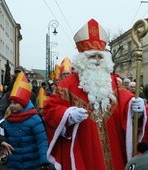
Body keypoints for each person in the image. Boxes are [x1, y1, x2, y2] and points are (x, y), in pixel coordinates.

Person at [43, 18, 147, 170]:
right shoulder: (65, 86)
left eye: (100, 56)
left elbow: (127, 101)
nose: (97, 60)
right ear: (82, 59)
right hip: (84, 149)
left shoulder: (114, 82)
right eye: (92, 56)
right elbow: (49, 111)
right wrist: (68, 115)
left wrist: (136, 106)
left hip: (114, 146)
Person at [4, 71, 51, 170]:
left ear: (23, 104)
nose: (12, 105)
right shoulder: (8, 119)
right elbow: (7, 140)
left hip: (32, 163)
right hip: (14, 163)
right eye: (11, 102)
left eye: (15, 103)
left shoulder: (34, 119)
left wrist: (44, 160)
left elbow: (42, 141)